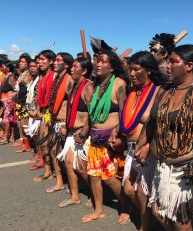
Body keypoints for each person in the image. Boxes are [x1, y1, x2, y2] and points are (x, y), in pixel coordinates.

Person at [135, 44, 193, 230]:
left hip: (186, 167)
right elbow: (152, 122)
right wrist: (144, 144)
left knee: (180, 218)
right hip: (160, 163)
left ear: (189, 65)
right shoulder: (164, 90)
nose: (167, 66)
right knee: (158, 210)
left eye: (173, 62)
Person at [81, 49, 129, 224]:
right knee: (93, 176)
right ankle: (99, 210)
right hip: (95, 138)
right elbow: (91, 113)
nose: (97, 64)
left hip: (110, 140)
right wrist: (84, 132)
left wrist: (119, 134)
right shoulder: (96, 85)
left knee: (109, 179)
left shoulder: (119, 84)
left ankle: (126, 207)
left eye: (103, 61)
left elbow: (125, 115)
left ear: (113, 66)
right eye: (96, 60)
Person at [120, 51, 166, 230]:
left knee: (141, 191)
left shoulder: (158, 91)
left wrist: (147, 145)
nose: (131, 74)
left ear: (148, 70)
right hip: (130, 149)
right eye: (130, 70)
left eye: (135, 70)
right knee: (128, 189)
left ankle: (145, 226)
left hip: (147, 149)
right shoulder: (131, 91)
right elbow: (125, 117)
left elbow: (158, 123)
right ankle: (151, 219)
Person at [56, 57, 94, 207]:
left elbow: (93, 113)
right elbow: (70, 109)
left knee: (82, 169)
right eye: (71, 66)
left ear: (84, 71)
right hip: (72, 131)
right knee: (69, 164)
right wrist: (66, 125)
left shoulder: (88, 87)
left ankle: (95, 194)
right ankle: (75, 196)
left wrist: (84, 133)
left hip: (83, 133)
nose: (71, 69)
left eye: (75, 67)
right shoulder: (74, 86)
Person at [39, 52, 73, 188]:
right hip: (55, 120)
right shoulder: (56, 79)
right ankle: (59, 182)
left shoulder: (69, 79)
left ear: (66, 64)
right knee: (54, 152)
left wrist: (66, 125)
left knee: (70, 159)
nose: (54, 62)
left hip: (65, 122)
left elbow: (72, 103)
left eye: (58, 60)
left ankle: (79, 186)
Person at [30, 50, 55, 172]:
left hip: (50, 113)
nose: (40, 62)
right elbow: (40, 97)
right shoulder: (42, 77)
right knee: (42, 142)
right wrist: (38, 109)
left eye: (43, 59)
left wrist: (46, 113)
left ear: (51, 61)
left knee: (48, 144)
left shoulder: (54, 76)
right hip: (43, 112)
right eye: (39, 59)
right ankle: (48, 171)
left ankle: (52, 172)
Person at [12, 54, 32, 148]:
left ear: (28, 63)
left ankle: (28, 144)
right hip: (19, 101)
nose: (20, 63)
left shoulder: (29, 73)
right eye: (20, 61)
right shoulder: (21, 74)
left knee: (25, 122)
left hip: (27, 102)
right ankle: (22, 140)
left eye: (23, 62)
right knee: (19, 122)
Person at [0, 62, 16, 145]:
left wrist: (12, 99)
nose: (1, 68)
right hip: (4, 101)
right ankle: (11, 136)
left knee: (6, 120)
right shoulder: (5, 76)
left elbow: (16, 89)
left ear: (8, 68)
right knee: (8, 119)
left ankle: (5, 138)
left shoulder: (11, 77)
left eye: (3, 66)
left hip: (9, 101)